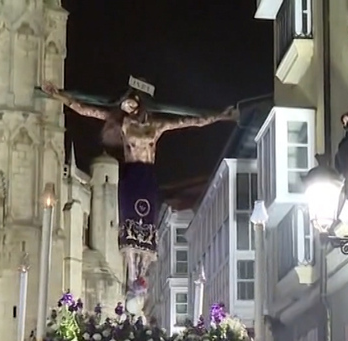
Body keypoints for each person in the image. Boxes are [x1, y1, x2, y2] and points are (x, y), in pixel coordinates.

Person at [41, 77, 237, 286]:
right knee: (130, 223)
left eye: (130, 103)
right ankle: (133, 275)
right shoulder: (123, 124)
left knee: (148, 223)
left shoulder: (156, 124)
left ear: (138, 102)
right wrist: (58, 95)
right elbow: (85, 109)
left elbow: (190, 121)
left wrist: (220, 117)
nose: (128, 107)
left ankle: (141, 274)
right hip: (132, 175)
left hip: (147, 174)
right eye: (124, 105)